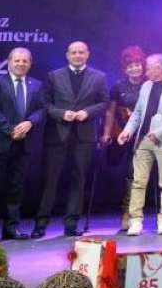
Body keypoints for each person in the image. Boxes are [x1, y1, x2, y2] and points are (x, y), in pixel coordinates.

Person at [34, 40, 109, 238]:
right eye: (73, 52)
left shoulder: (99, 76)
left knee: (79, 179)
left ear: (87, 54)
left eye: (81, 52)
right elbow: (44, 103)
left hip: (84, 136)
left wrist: (87, 112)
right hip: (57, 134)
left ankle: (71, 224)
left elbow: (104, 103)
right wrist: (60, 113)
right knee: (50, 180)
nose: (77, 55)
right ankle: (41, 224)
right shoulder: (53, 76)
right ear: (67, 55)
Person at [117, 54, 162, 235]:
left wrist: (159, 132)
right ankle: (136, 221)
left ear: (160, 68)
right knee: (138, 181)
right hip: (143, 140)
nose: (145, 72)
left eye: (148, 68)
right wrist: (127, 131)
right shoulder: (146, 85)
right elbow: (138, 113)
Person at [0, 47, 42, 240]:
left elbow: (42, 109)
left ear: (30, 63)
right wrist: (11, 130)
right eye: (17, 60)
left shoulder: (36, 85)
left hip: (24, 145)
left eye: (25, 61)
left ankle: (11, 229)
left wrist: (30, 122)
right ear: (9, 62)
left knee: (16, 188)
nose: (21, 64)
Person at [100, 45, 145, 233]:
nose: (135, 68)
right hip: (123, 136)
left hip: (144, 136)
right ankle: (127, 212)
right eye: (130, 65)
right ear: (125, 68)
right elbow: (110, 112)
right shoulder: (118, 86)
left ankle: (133, 213)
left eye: (137, 64)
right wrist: (106, 133)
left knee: (136, 174)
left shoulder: (150, 84)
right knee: (128, 173)